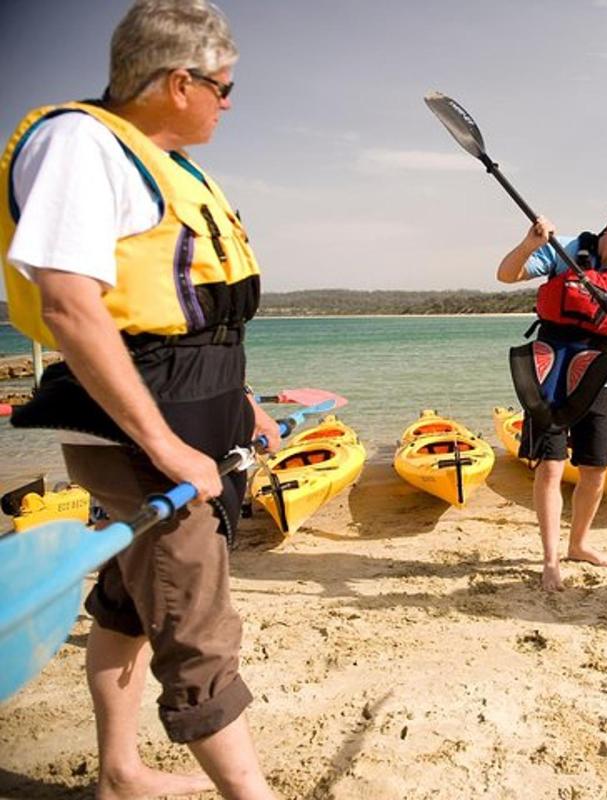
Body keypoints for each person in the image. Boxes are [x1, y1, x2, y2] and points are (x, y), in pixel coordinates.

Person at [1, 2, 279, 797]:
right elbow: (70, 307)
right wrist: (164, 447)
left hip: (192, 415)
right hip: (139, 429)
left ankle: (121, 772)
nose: (229, 103)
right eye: (224, 88)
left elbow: (191, 312)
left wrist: (243, 401)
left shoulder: (166, 163)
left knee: (128, 605)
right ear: (178, 81)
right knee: (199, 628)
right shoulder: (80, 144)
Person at [497, 199, 607, 592]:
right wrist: (528, 245)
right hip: (550, 367)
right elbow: (507, 274)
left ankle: (579, 544)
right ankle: (550, 558)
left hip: (593, 369)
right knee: (550, 467)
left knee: (596, 469)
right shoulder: (566, 250)